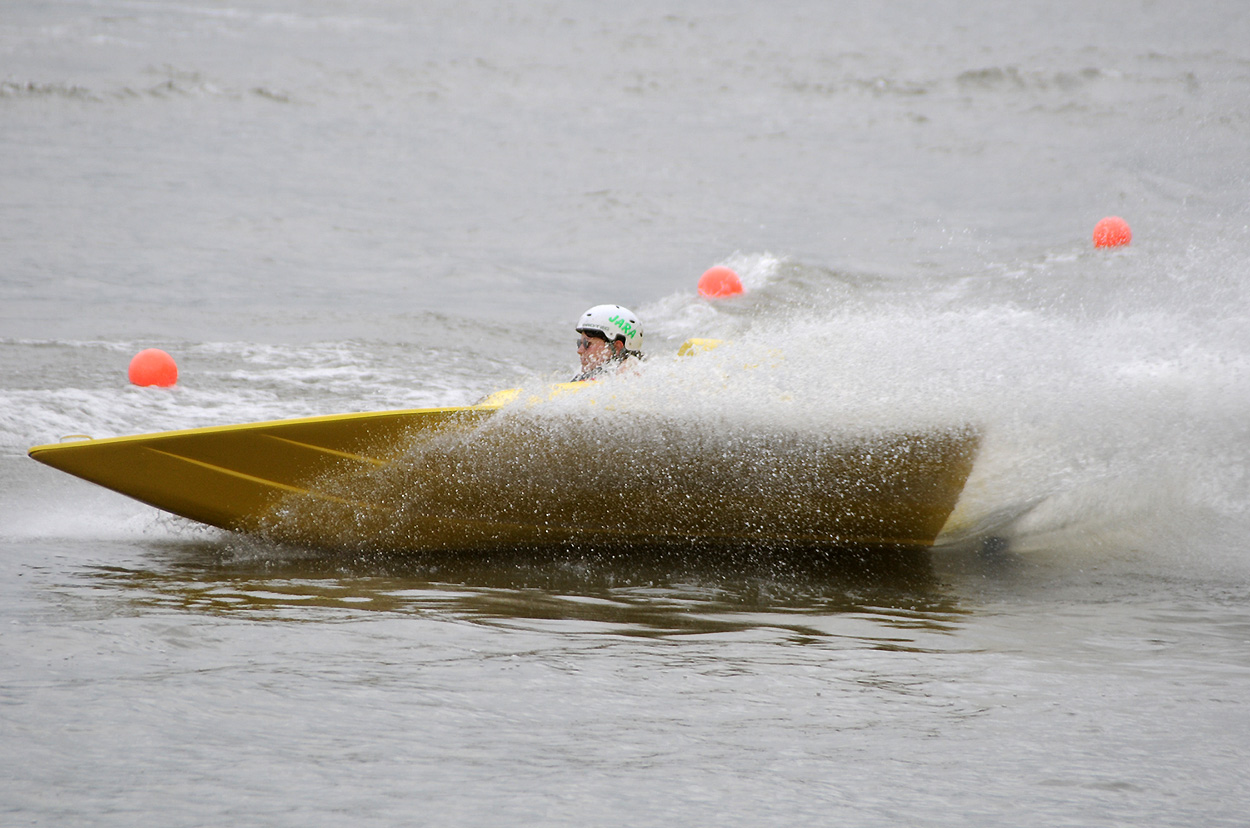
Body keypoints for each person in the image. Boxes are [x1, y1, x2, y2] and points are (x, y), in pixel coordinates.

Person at [573, 304, 643, 382]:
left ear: (617, 347)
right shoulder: (592, 376)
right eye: (580, 343)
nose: (579, 351)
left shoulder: (630, 372)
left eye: (587, 344)